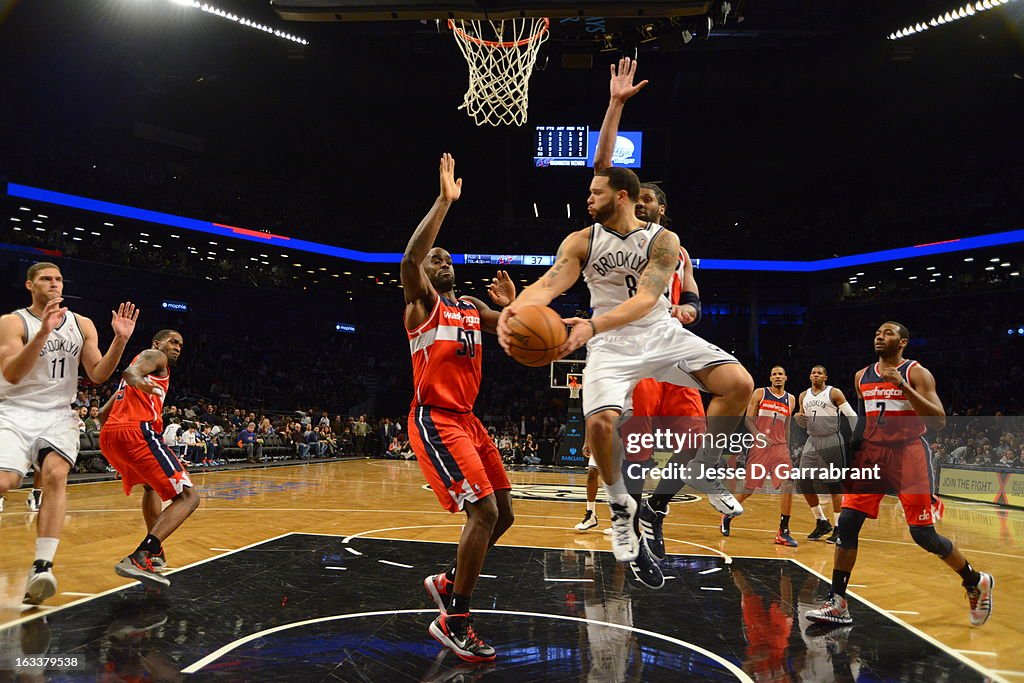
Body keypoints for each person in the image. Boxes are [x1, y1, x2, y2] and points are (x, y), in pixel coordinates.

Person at [498, 60, 752, 567]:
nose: (586, 196)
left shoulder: (665, 241)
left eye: (595, 191)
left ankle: (705, 467)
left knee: (739, 385)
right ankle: (618, 506)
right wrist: (516, 309)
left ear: (622, 197)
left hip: (658, 332)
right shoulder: (581, 239)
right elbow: (550, 283)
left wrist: (590, 323)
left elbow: (645, 299)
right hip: (612, 348)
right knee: (602, 427)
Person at [403, 153, 516, 662]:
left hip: (469, 421)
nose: (442, 261)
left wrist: (517, 304)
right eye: (435, 259)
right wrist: (445, 203)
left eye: (448, 258)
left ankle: (449, 580)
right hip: (435, 418)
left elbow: (518, 329)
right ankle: (456, 617)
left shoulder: (470, 308)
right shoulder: (421, 306)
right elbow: (409, 260)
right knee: (483, 510)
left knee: (505, 514)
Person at [806, 322, 994, 627]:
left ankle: (975, 581)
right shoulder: (861, 376)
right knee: (849, 522)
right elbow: (865, 418)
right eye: (878, 333)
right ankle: (837, 602)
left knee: (923, 535)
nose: (880, 336)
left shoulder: (917, 373)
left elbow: (939, 422)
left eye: (888, 333)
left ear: (903, 342)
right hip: (872, 455)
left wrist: (903, 387)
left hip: (908, 454)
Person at [0, 261, 138, 604]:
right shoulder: (12, 322)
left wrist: (119, 341)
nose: (54, 284)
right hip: (13, 411)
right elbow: (13, 374)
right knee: (5, 482)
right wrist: (43, 334)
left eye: (59, 279)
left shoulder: (82, 324)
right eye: (46, 279)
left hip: (58, 414)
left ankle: (43, 566)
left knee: (55, 474)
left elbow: (98, 374)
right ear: (30, 285)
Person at [98, 329, 196, 588]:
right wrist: (138, 381)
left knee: (151, 487)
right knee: (189, 498)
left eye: (180, 344)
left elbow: (101, 414)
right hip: (137, 431)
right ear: (157, 343)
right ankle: (142, 554)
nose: (177, 347)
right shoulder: (155, 356)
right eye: (173, 341)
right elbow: (130, 374)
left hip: (111, 436)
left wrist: (117, 445)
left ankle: (156, 551)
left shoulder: (142, 368)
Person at [722, 366, 798, 546]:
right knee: (749, 489)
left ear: (786, 377)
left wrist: (788, 446)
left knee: (788, 482)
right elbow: (748, 419)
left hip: (779, 447)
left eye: (781, 374)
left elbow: (787, 426)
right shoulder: (760, 393)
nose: (778, 377)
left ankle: (783, 531)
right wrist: (758, 435)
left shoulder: (791, 399)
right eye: (774, 374)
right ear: (770, 378)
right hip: (760, 447)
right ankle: (727, 513)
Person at [794, 365, 857, 543]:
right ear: (809, 376)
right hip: (812, 440)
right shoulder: (803, 395)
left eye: (819, 373)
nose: (816, 375)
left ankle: (838, 528)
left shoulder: (834, 393)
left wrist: (857, 436)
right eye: (813, 372)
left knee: (833, 485)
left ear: (825, 377)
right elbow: (802, 421)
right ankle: (822, 521)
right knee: (803, 481)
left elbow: (851, 415)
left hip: (831, 440)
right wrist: (798, 419)